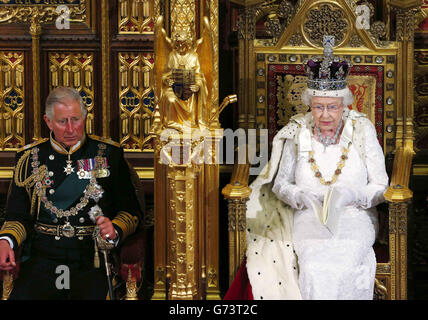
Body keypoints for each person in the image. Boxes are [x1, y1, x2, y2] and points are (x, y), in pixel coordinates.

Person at [225, 35, 388, 300]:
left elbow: (381, 186)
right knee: (313, 267)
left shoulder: (362, 130)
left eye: (332, 107)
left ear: (345, 105)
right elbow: (280, 184)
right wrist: (299, 196)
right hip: (308, 218)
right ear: (309, 105)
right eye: (318, 107)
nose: (325, 115)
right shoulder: (297, 131)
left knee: (344, 263)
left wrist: (353, 195)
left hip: (354, 217)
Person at [0, 87, 142, 299]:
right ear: (48, 121)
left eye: (76, 119)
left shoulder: (109, 155)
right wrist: (6, 241)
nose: (70, 129)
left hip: (89, 258)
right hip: (42, 259)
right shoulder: (29, 159)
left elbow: (130, 211)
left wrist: (114, 230)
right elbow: (17, 216)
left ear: (85, 117)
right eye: (62, 121)